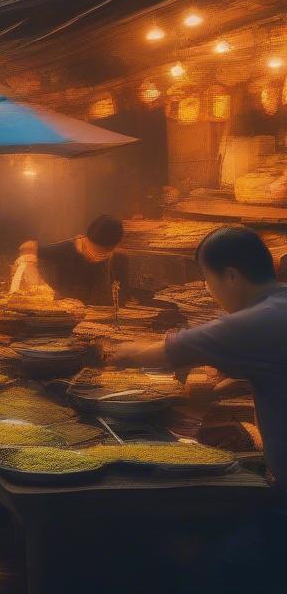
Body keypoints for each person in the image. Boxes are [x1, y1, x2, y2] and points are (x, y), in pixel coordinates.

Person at [112, 227, 287, 589]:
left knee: (221, 570)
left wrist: (112, 351)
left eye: (208, 279)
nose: (209, 290)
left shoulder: (256, 321)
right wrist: (237, 381)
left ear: (232, 275)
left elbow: (161, 353)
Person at [9, 214, 126, 305]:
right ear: (86, 239)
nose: (95, 257)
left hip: (100, 319)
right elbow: (30, 248)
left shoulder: (119, 260)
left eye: (103, 253)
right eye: (93, 251)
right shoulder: (68, 249)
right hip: (64, 313)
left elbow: (119, 297)